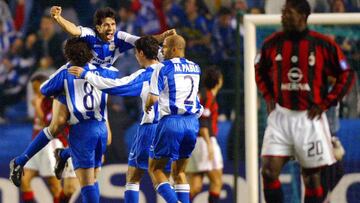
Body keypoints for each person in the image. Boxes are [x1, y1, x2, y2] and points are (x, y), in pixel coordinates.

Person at [9, 6, 175, 186]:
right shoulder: (89, 35)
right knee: (56, 125)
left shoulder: (119, 37)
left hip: (96, 83)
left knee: (107, 140)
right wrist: (58, 18)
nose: (111, 28)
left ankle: (64, 154)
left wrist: (161, 38)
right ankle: (20, 161)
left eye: (113, 24)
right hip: (76, 76)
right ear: (98, 27)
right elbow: (73, 29)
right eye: (106, 25)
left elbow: (142, 42)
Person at [254, 1, 355, 203]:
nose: (282, 16)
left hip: (309, 119)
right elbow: (259, 69)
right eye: (282, 12)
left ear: (302, 16)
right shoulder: (272, 43)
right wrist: (268, 95)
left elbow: (347, 74)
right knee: (268, 171)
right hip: (280, 117)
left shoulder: (322, 44)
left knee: (311, 178)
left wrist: (326, 103)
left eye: (288, 13)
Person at [67, 35, 172, 203]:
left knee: (132, 177)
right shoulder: (170, 69)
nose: (136, 57)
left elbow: (115, 87)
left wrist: (86, 74)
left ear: (141, 53)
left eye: (137, 53)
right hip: (170, 126)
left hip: (151, 127)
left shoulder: (147, 74)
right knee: (167, 175)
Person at [39, 37, 113, 202]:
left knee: (106, 145)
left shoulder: (99, 69)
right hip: (79, 130)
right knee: (78, 185)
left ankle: (65, 154)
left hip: (98, 118)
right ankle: (66, 152)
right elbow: (46, 95)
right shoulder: (65, 75)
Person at [145, 34, 203, 203]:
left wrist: (147, 105)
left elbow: (153, 97)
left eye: (164, 47)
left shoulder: (162, 68)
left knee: (155, 169)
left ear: (175, 49)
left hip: (171, 122)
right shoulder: (196, 67)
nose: (161, 50)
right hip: (192, 123)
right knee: (179, 172)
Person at [21, 73, 63, 203]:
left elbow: (50, 126)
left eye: (37, 89)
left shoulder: (54, 100)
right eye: (33, 90)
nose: (35, 93)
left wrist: (38, 106)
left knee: (55, 185)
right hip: (36, 146)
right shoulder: (39, 100)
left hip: (51, 145)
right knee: (24, 180)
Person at [186, 67, 224, 203]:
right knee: (217, 181)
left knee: (195, 187)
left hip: (194, 142)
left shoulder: (201, 94)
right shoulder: (208, 96)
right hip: (204, 141)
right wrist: (209, 145)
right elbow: (203, 122)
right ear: (219, 81)